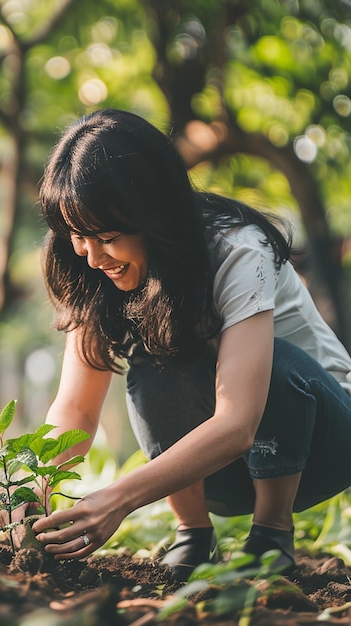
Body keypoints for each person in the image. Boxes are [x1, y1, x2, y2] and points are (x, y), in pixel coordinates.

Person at [31, 109, 351, 581]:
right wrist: (28, 494)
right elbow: (75, 412)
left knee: (277, 362)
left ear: (153, 216)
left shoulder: (238, 250)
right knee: (158, 362)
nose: (93, 257)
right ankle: (193, 534)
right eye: (79, 236)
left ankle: (271, 534)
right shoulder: (92, 272)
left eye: (108, 238)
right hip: (219, 472)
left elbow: (239, 421)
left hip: (322, 447)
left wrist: (117, 499)